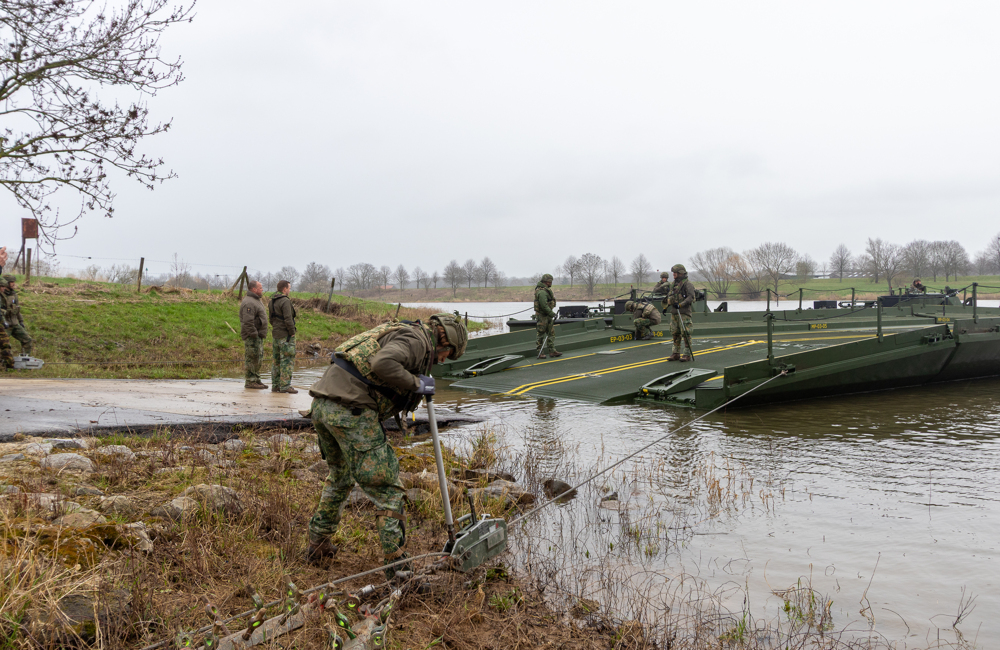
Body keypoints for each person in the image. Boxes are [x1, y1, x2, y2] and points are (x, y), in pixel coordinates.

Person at [304, 313, 468, 576]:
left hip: (323, 405)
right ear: (444, 341)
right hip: (350, 411)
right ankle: (399, 572)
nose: (442, 361)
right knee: (389, 493)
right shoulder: (417, 341)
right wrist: (417, 384)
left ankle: (318, 544)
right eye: (448, 355)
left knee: (340, 478)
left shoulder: (401, 330)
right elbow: (382, 363)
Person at [269, 280, 298, 394]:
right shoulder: (285, 301)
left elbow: (271, 319)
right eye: (289, 288)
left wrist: (276, 327)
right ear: (285, 289)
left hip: (276, 335)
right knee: (287, 360)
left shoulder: (272, 301)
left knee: (276, 361)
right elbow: (288, 319)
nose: (290, 290)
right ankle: (285, 386)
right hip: (286, 336)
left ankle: (275, 385)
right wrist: (292, 332)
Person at [239, 280, 268, 389]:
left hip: (258, 336)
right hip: (252, 337)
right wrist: (254, 334)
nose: (262, 289)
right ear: (254, 289)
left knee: (257, 358)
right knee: (252, 358)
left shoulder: (256, 300)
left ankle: (256, 379)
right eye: (260, 288)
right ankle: (250, 381)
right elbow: (247, 321)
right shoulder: (249, 303)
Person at [665, 264, 696, 362]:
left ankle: (687, 354)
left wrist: (681, 304)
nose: (673, 274)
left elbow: (691, 297)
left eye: (675, 272)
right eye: (673, 272)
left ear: (681, 273)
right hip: (674, 312)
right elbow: (670, 296)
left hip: (684, 312)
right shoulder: (673, 284)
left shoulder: (687, 284)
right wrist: (666, 306)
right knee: (675, 333)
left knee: (686, 333)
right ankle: (675, 353)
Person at [1, 275, 33, 356]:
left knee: (27, 340)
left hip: (15, 323)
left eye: (14, 282)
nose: (13, 284)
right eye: (11, 282)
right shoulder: (1, 295)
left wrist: (21, 321)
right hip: (5, 325)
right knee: (4, 345)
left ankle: (24, 359)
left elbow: (17, 309)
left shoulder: (14, 294)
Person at [533, 273, 562, 359]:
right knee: (541, 334)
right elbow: (544, 306)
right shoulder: (542, 292)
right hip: (542, 316)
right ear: (546, 282)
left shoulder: (546, 290)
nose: (551, 283)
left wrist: (550, 314)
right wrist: (552, 314)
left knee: (551, 333)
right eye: (550, 281)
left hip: (548, 315)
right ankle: (540, 352)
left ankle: (552, 351)